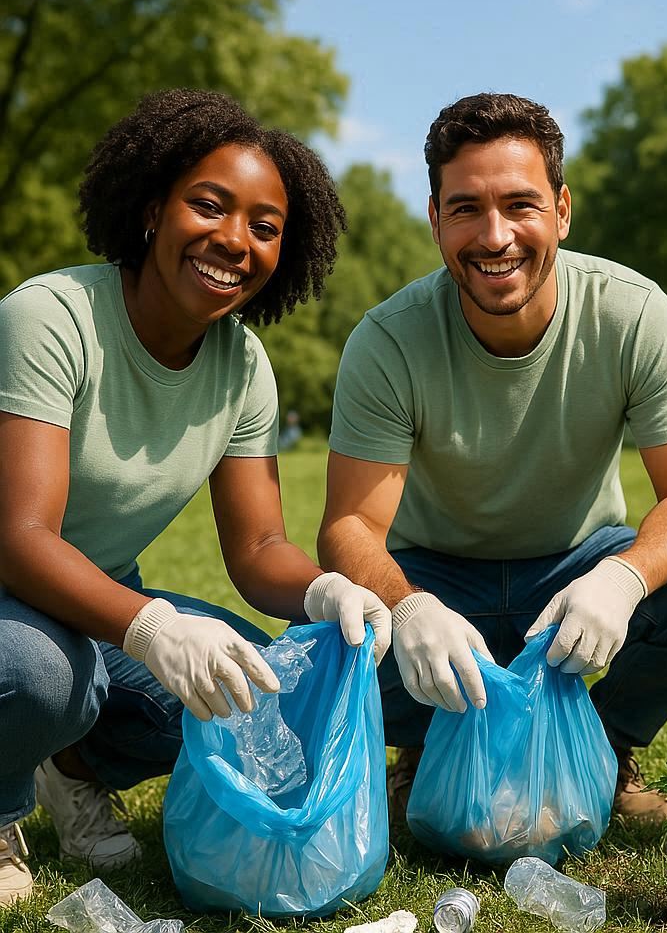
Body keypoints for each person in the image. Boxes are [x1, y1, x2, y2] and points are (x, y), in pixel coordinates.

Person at [0, 89, 391, 906]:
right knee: (41, 674)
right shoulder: (51, 317)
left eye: (264, 226)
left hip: (86, 603)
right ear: (152, 208)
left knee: (254, 694)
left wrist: (328, 590)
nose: (232, 241)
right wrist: (149, 628)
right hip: (20, 597)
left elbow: (255, 550)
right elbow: (21, 537)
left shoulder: (242, 367)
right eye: (208, 206)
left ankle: (67, 767)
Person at [318, 92, 667, 825]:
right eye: (465, 209)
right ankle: (427, 746)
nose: (495, 237)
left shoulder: (632, 312)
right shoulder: (388, 340)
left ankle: (603, 749)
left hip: (578, 562)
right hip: (435, 573)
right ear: (434, 219)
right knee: (337, 637)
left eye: (520, 204)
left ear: (562, 210)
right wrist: (410, 606)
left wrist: (621, 577)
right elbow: (349, 526)